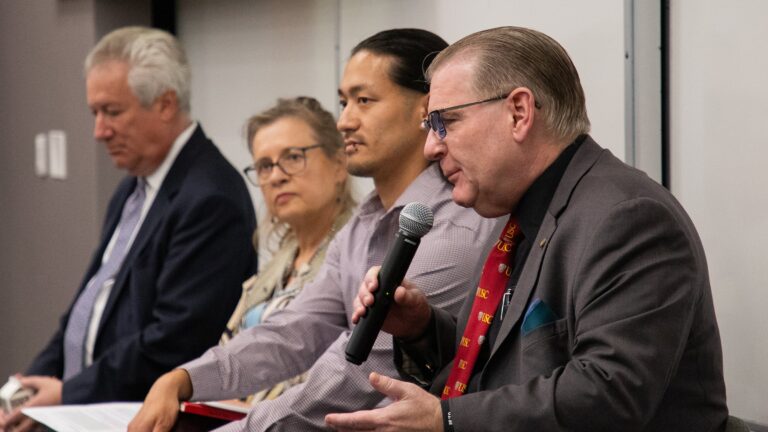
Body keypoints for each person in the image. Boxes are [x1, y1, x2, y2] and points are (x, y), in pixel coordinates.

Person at [327, 26, 729, 431]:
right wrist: (421, 329)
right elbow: (506, 367)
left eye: (446, 121)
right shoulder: (521, 215)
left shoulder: (629, 219)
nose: (431, 147)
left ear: (519, 113)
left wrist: (446, 420)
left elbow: (608, 394)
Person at [128, 28, 502, 432]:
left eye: (364, 101)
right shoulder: (363, 223)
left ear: (425, 110)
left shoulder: (456, 224)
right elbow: (295, 331)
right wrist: (184, 378)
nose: (344, 122)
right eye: (343, 103)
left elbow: (355, 376)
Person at [0, 27, 255, 432]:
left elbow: (172, 343)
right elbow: (89, 305)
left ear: (166, 104)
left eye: (112, 112)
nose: (99, 131)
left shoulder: (210, 197)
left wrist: (69, 393)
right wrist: (32, 384)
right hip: (89, 408)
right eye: (95, 113)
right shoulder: (133, 186)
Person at [223, 96, 356, 402]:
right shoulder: (278, 263)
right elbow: (227, 352)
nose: (276, 176)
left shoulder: (360, 253)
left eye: (293, 157)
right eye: (264, 166)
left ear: (339, 164)